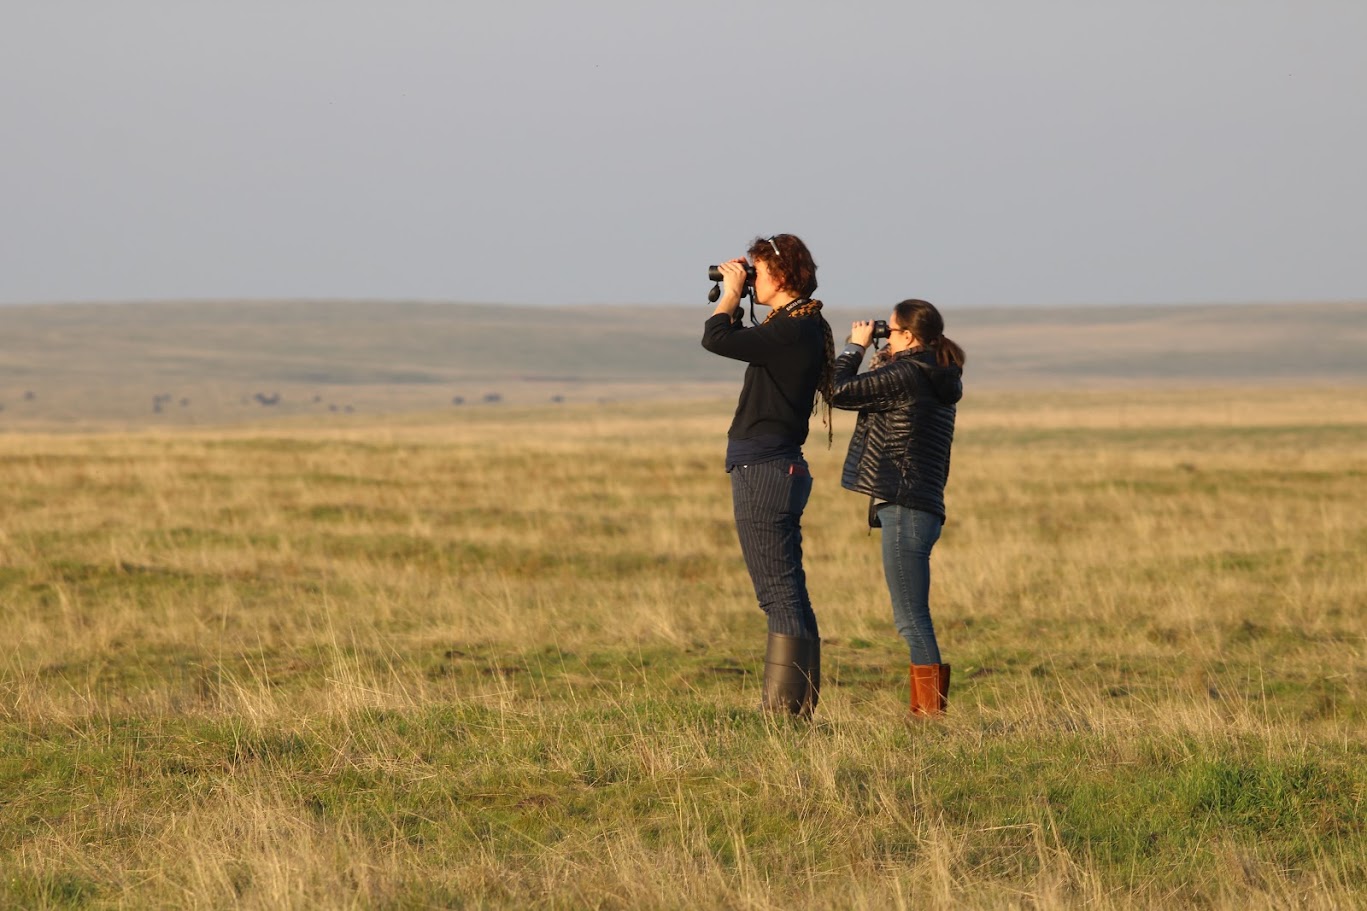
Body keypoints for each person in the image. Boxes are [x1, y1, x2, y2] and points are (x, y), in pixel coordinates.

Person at [701, 234, 834, 717]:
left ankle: (785, 715)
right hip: (777, 465)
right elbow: (737, 341)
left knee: (778, 594)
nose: (752, 278)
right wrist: (738, 296)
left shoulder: (794, 329)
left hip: (766, 467)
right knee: (788, 592)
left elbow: (716, 339)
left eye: (758, 271)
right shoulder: (799, 325)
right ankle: (797, 709)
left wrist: (732, 294)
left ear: (781, 275)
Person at [829, 300, 965, 717]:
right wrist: (880, 357)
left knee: (911, 618)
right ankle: (928, 713)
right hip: (920, 506)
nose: (884, 334)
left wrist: (854, 348)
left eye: (890, 329)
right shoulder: (931, 373)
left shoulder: (906, 374)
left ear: (907, 335)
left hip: (905, 506)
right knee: (912, 614)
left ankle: (929, 716)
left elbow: (836, 391)